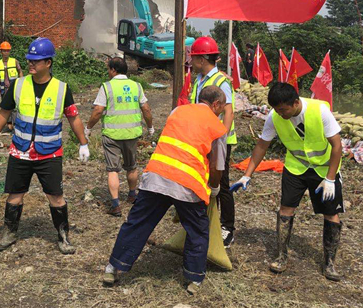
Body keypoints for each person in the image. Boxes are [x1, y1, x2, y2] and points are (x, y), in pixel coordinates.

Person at [103, 85, 228, 294]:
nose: (221, 113)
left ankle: (113, 267)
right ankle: (194, 278)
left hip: (156, 177)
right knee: (198, 230)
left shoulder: (178, 111)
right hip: (187, 186)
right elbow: (217, 166)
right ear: (215, 104)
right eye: (222, 109)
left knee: (137, 223)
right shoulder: (217, 127)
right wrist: (214, 188)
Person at [231, 82, 344, 281]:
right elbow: (261, 146)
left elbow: (337, 146)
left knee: (330, 213)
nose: (280, 114)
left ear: (295, 102)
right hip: (296, 167)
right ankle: (282, 256)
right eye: (276, 110)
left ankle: (330, 263)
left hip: (324, 168)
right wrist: (247, 174)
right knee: (285, 210)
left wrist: (330, 179)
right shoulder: (275, 117)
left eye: (283, 110)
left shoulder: (320, 111)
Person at [0, 37, 90, 254]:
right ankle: (10, 232)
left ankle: (63, 236)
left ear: (48, 63)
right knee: (15, 194)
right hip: (20, 150)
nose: (31, 64)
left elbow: (73, 118)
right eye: (29, 60)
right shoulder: (18, 85)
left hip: (49, 154)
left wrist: (83, 143)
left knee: (56, 197)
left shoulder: (62, 89)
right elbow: (4, 112)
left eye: (36, 61)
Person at [85, 57, 154, 216]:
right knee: (131, 166)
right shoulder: (136, 86)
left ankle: (115, 205)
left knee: (113, 170)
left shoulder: (107, 87)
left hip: (112, 135)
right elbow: (147, 109)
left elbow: (97, 111)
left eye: (109, 69)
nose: (108, 72)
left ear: (113, 70)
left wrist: (88, 128)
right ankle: (132, 195)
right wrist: (150, 128)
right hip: (132, 134)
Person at [189, 36, 238, 248]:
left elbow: (228, 111)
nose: (190, 62)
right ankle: (209, 219)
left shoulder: (221, 81)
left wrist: (221, 136)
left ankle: (228, 227)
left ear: (202, 59)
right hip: (202, 138)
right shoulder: (199, 79)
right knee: (205, 179)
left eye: (193, 58)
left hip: (218, 140)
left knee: (222, 184)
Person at [0, 41, 23, 132]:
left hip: (13, 88)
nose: (6, 52)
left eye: (7, 51)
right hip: (3, 88)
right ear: (1, 52)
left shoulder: (14, 61)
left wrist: (21, 83)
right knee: (5, 107)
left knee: (14, 108)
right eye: (4, 51)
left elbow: (20, 72)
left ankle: (15, 126)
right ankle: (9, 125)